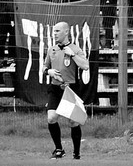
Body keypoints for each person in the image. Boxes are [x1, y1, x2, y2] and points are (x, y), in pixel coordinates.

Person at [43, 21, 89, 160]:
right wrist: (49, 71)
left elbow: (85, 66)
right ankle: (58, 149)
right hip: (55, 87)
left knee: (73, 122)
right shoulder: (52, 49)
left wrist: (73, 55)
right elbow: (44, 67)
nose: (54, 33)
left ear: (66, 32)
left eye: (57, 31)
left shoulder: (75, 49)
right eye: (54, 31)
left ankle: (76, 153)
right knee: (51, 118)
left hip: (70, 88)